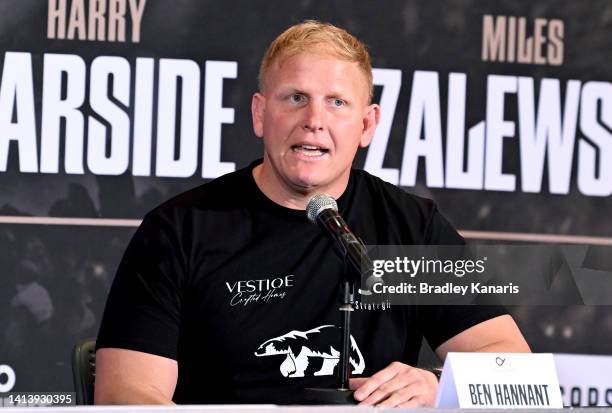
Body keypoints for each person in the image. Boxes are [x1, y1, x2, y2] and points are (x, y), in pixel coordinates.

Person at [95, 20, 530, 407]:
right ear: (260, 114)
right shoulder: (180, 230)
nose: (314, 120)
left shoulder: (409, 229)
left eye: (337, 102)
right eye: (295, 98)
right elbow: (125, 393)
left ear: (366, 125)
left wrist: (440, 385)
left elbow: (519, 373)